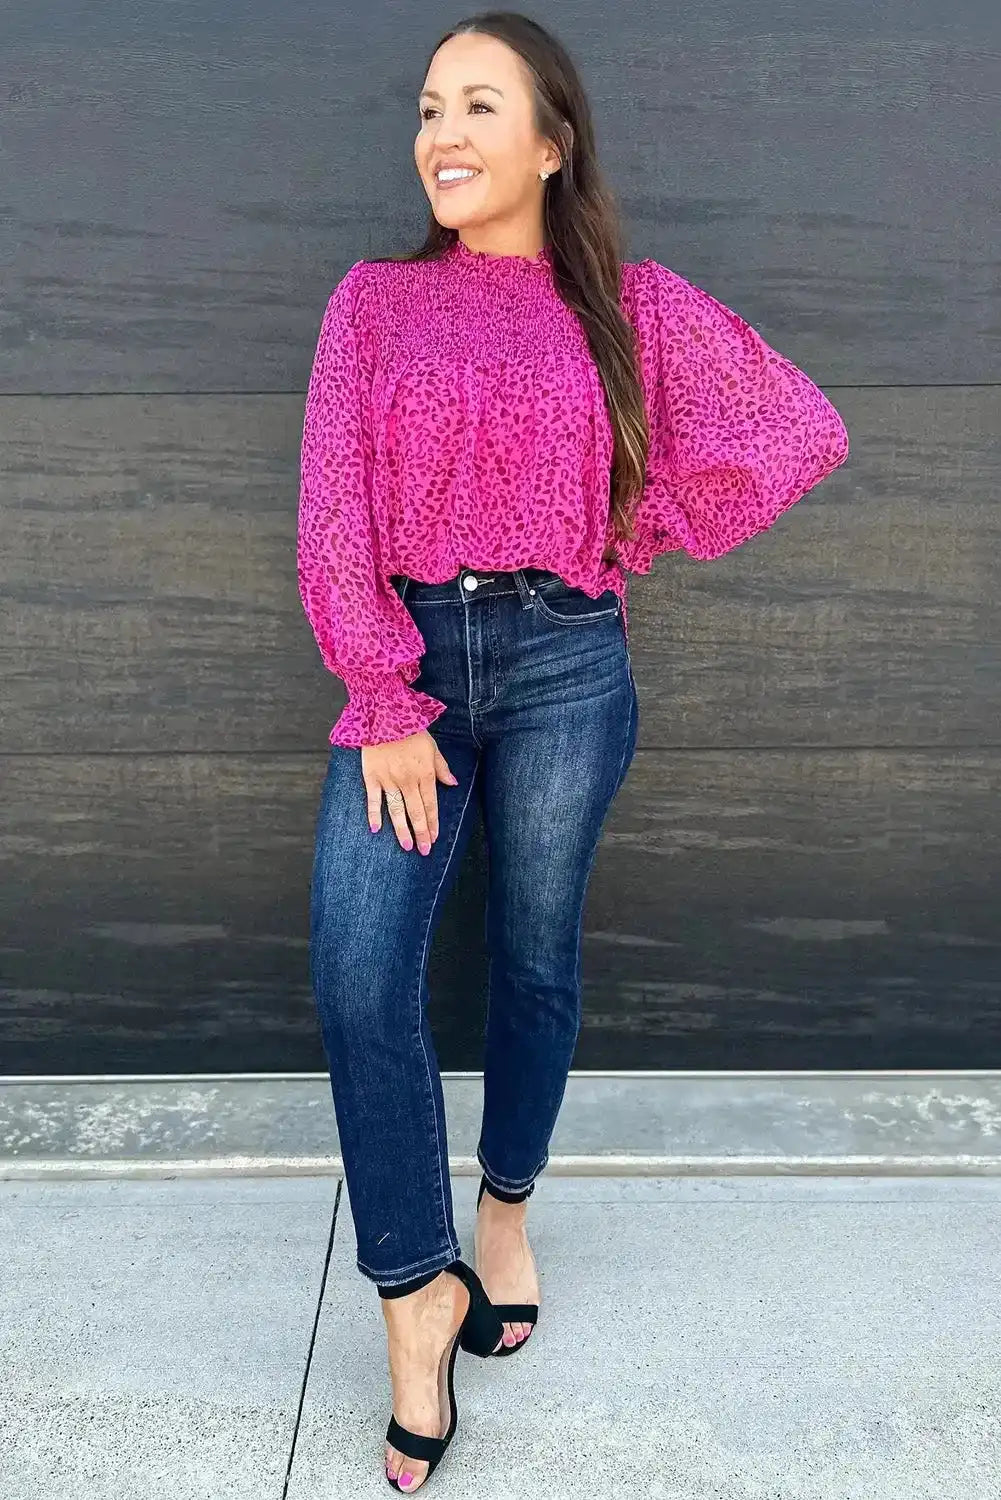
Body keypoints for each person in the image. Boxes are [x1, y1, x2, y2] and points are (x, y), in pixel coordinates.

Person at [296, 14, 850, 1493]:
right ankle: (415, 1290)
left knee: (535, 955)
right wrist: (385, 697)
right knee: (360, 966)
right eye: (427, 109)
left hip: (564, 664)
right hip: (409, 665)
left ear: (551, 142)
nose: (442, 134)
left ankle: (505, 1211)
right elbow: (330, 513)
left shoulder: (631, 305)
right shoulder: (369, 305)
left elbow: (793, 429)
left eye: (479, 106)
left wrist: (635, 529)